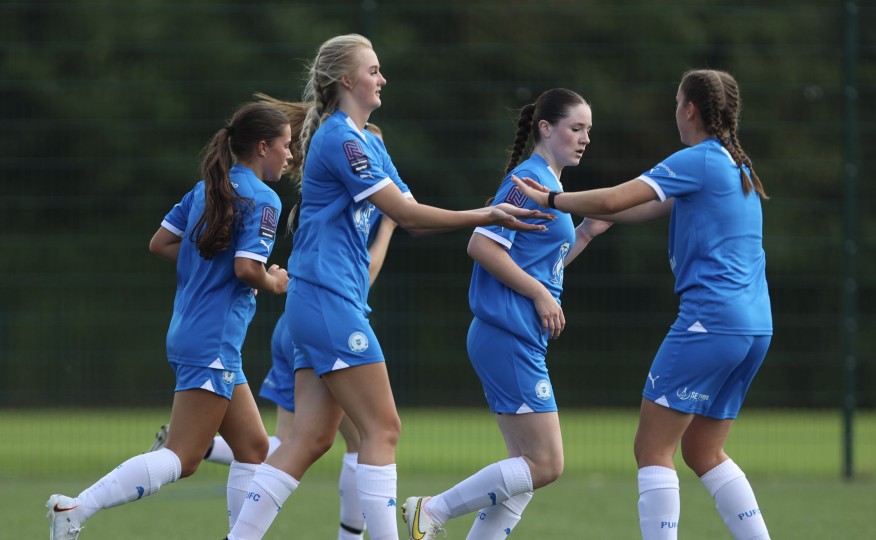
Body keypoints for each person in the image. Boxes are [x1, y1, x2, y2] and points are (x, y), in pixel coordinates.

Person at [225, 34, 551, 540]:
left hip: (325, 302)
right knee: (383, 429)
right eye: (373, 70)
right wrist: (485, 215)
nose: (383, 78)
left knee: (309, 439)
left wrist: (488, 209)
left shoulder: (368, 142)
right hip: (328, 299)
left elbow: (411, 215)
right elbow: (405, 214)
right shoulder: (340, 138)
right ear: (346, 80)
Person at [509, 69, 772, 540]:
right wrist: (594, 223)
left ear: (689, 109)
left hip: (710, 323)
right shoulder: (738, 165)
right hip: (754, 327)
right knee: (703, 452)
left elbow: (615, 197)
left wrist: (551, 197)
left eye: (676, 104)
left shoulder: (699, 159)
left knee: (652, 450)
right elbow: (643, 206)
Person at [45, 102, 292, 540]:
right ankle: (75, 508)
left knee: (254, 448)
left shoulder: (206, 189)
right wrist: (273, 281)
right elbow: (246, 268)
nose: (289, 155)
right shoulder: (264, 198)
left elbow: (160, 243)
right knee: (184, 457)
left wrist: (209, 269)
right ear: (262, 147)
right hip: (212, 341)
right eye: (285, 145)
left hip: (193, 334)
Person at [147, 122, 395, 540]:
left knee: (295, 441)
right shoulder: (349, 202)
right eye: (370, 152)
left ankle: (209, 451)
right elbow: (361, 277)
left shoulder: (332, 196)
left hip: (297, 323)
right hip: (327, 324)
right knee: (371, 435)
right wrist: (389, 227)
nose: (375, 163)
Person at [400, 88, 611, 540]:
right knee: (546, 464)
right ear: (545, 128)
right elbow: (481, 245)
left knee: (525, 469)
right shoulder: (526, 180)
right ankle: (431, 509)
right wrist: (539, 295)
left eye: (588, 130)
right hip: (506, 332)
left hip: (516, 334)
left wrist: (586, 233)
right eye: (576, 128)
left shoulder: (551, 188)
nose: (585, 138)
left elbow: (543, 264)